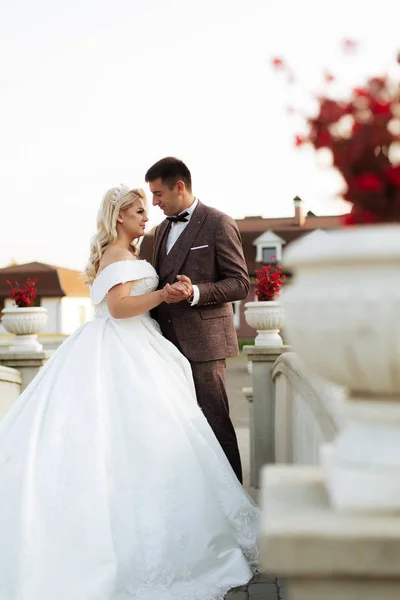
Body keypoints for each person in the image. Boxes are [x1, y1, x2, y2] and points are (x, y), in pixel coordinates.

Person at [0, 184, 259, 600]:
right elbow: (120, 308)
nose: (146, 215)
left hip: (141, 345)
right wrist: (163, 293)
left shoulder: (131, 254)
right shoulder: (118, 255)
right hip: (122, 349)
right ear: (119, 216)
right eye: (139, 210)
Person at [145, 157, 250, 483]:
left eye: (159, 193)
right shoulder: (161, 230)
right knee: (181, 425)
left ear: (180, 186)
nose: (154, 202)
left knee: (215, 422)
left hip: (205, 344)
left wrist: (195, 293)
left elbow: (240, 283)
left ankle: (235, 501)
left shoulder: (219, 223)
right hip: (165, 345)